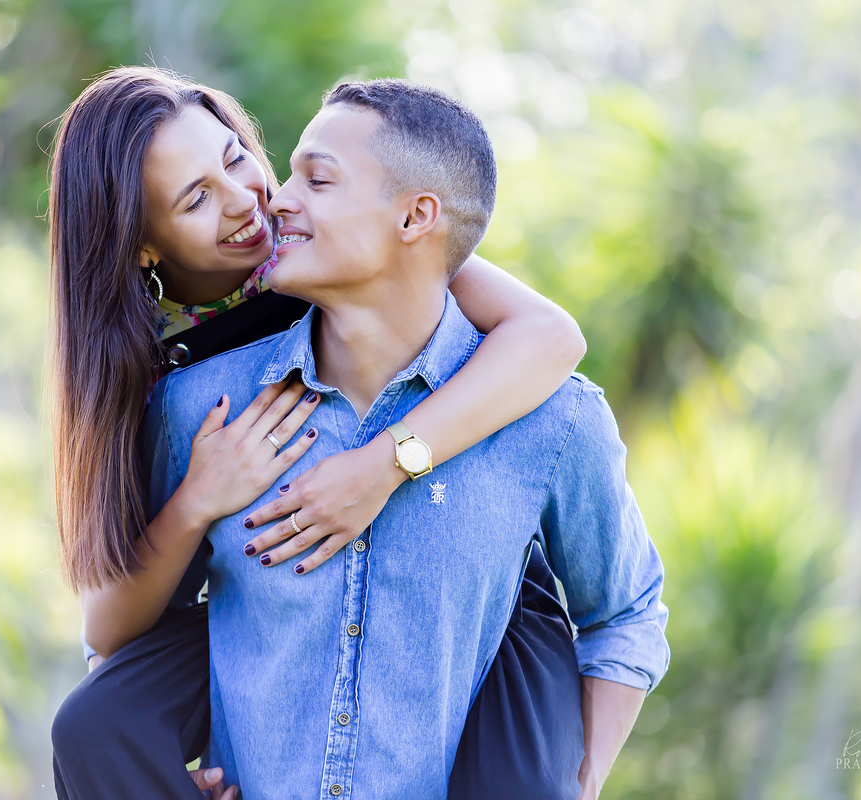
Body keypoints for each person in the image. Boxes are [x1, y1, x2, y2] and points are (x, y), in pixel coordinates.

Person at [47, 68, 592, 800]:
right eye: (196, 199)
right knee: (98, 723)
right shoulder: (146, 370)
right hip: (279, 586)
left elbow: (551, 337)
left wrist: (384, 466)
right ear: (143, 244)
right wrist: (198, 499)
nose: (248, 201)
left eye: (235, 158)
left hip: (456, 574)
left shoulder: (342, 241)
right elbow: (107, 635)